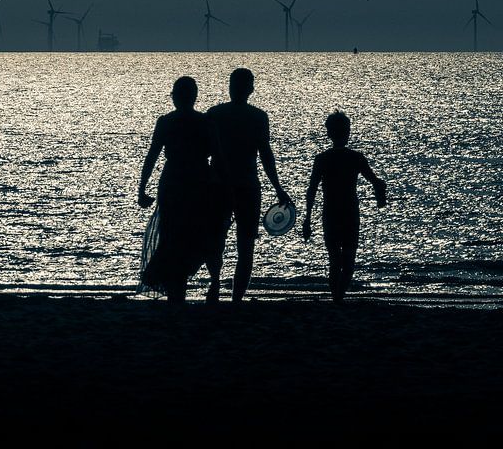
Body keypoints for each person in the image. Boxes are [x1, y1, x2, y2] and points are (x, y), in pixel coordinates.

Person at [207, 68, 291, 302]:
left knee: (215, 239)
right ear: (251, 89)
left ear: (230, 87)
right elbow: (266, 155)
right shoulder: (258, 117)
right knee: (246, 245)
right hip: (247, 185)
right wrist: (278, 188)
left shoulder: (214, 114)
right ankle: (236, 298)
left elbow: (204, 152)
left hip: (218, 185)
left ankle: (215, 282)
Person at [137, 76, 221, 304]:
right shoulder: (205, 121)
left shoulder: (166, 122)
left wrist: (142, 187)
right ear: (194, 97)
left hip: (174, 181)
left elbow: (152, 155)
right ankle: (186, 287)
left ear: (175, 97)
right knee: (194, 234)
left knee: (172, 235)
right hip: (198, 181)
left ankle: (175, 291)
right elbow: (218, 155)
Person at [302, 110, 387, 303]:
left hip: (330, 213)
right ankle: (339, 298)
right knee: (348, 260)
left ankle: (336, 298)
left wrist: (307, 219)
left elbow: (312, 190)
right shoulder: (356, 157)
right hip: (349, 213)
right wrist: (380, 191)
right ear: (348, 132)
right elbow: (375, 181)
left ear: (329, 133)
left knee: (334, 259)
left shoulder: (322, 159)